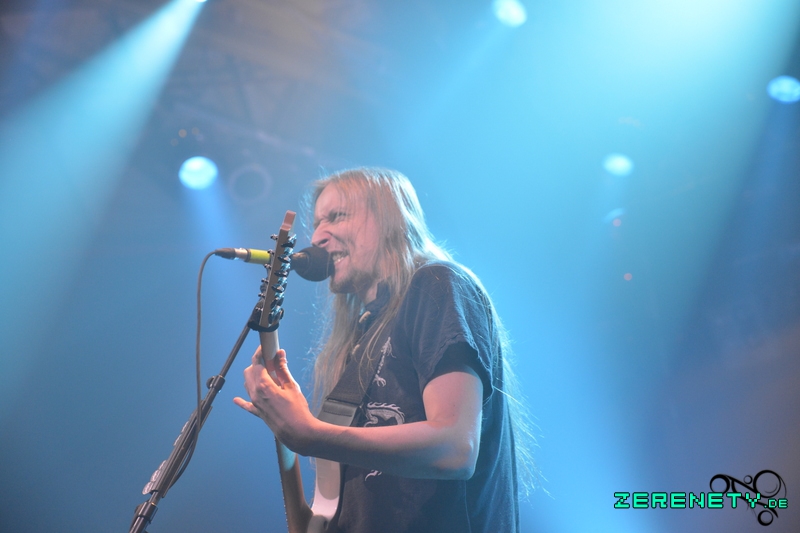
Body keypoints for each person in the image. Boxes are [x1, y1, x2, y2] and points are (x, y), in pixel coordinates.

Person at [234, 168, 535, 532]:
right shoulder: (360, 338)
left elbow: (456, 448)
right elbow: (311, 524)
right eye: (316, 223)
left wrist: (311, 434)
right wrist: (285, 428)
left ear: (389, 218)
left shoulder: (435, 284)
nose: (317, 237)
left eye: (337, 216)